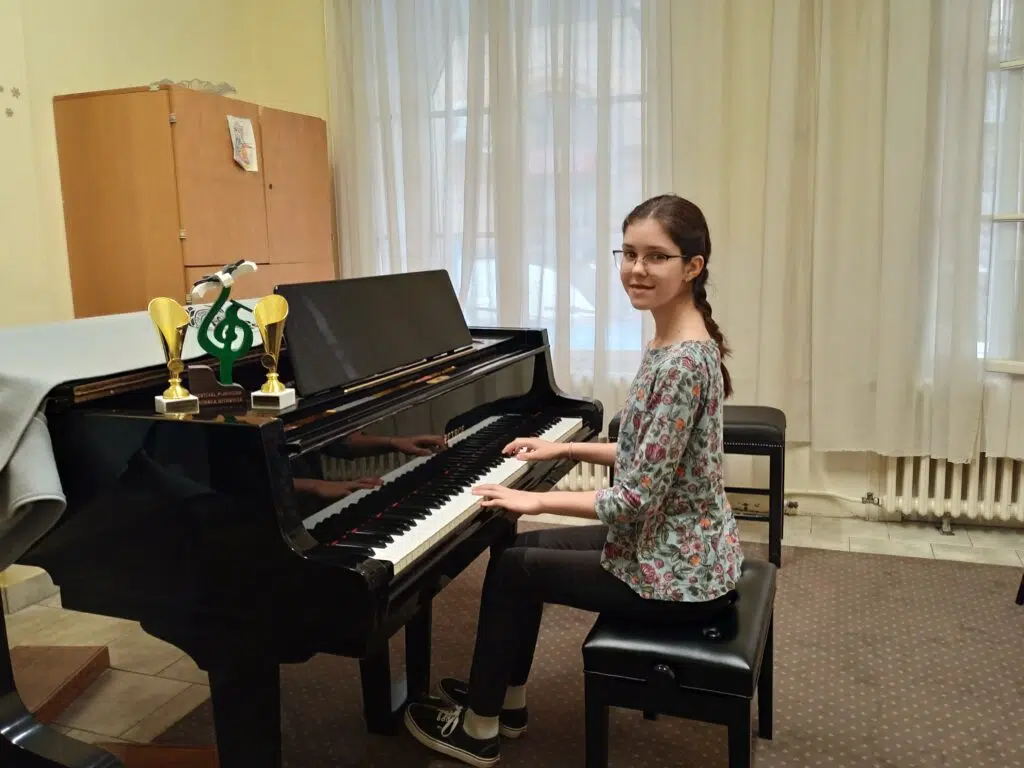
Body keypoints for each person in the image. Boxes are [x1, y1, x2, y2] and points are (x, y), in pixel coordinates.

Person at [403, 195, 745, 767]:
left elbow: (634, 499)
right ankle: (504, 700)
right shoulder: (672, 340)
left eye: (656, 256)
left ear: (693, 266)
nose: (636, 269)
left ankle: (479, 729)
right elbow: (644, 453)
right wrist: (562, 446)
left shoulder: (682, 362)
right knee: (519, 549)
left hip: (679, 573)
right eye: (628, 253)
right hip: (676, 543)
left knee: (514, 567)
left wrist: (533, 499)